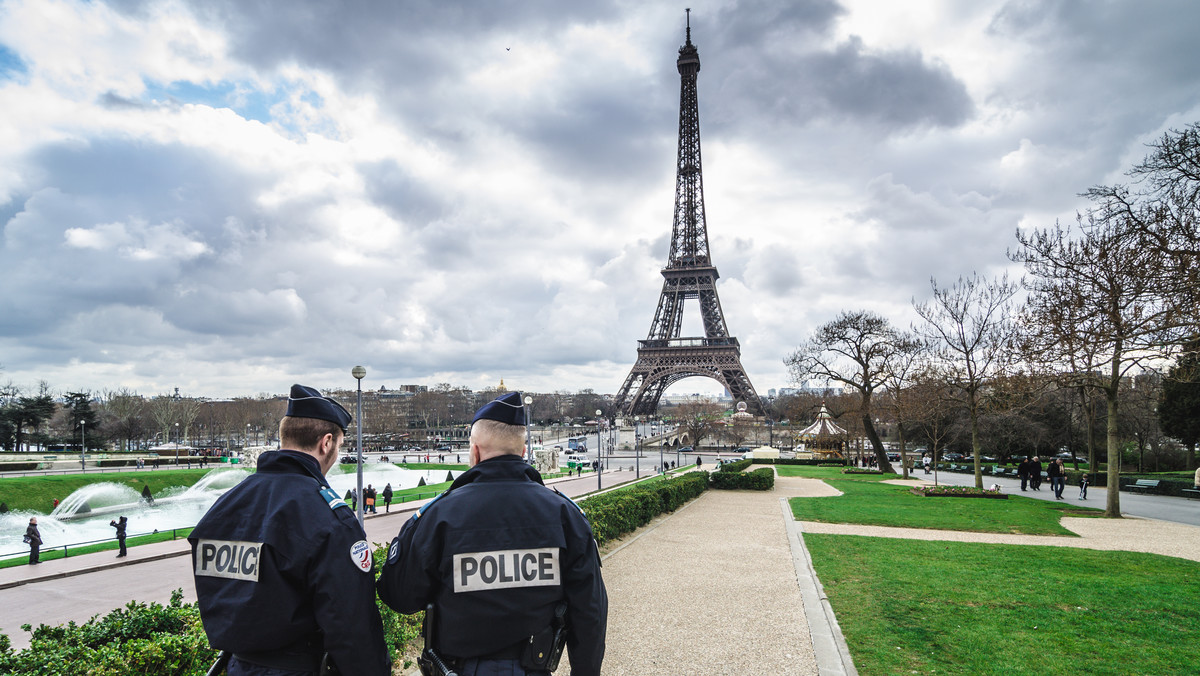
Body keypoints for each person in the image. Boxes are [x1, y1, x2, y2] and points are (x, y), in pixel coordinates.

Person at [378, 391, 607, 676]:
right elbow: (590, 612)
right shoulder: (565, 515)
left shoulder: (439, 516)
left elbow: (399, 597)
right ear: (524, 451)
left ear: (474, 451)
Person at [188, 384, 391, 676]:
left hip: (236, 665)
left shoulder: (226, 505)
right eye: (340, 446)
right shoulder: (328, 517)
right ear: (326, 443)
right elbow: (351, 626)